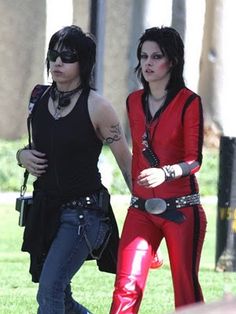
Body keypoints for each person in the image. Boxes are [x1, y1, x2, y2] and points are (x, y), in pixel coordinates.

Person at [16, 25, 132, 314]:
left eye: (67, 56)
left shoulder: (98, 106)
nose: (57, 62)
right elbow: (31, 146)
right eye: (54, 54)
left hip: (84, 214)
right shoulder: (38, 97)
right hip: (45, 209)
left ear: (83, 62)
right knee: (60, 297)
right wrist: (21, 155)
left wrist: (147, 210)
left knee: (50, 291)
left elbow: (126, 162)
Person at [110, 26, 207, 313]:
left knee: (186, 292)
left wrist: (166, 173)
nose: (148, 63)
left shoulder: (190, 102)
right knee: (125, 287)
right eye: (143, 56)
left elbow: (195, 160)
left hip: (181, 210)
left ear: (172, 62)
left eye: (156, 56)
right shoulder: (133, 102)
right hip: (140, 211)